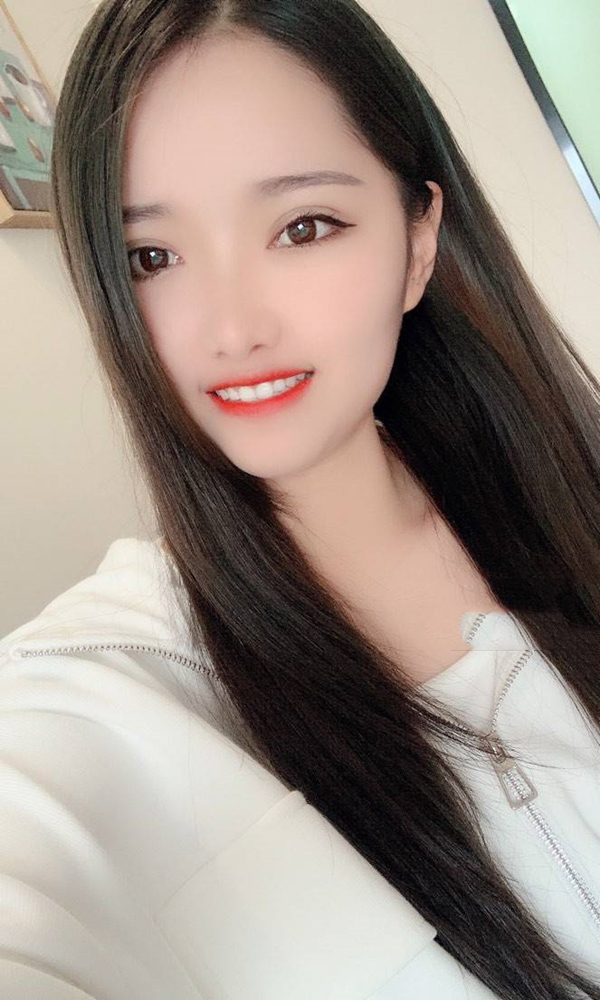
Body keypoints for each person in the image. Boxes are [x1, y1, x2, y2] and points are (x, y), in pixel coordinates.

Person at [1, 0, 600, 996]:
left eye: (303, 226)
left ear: (417, 243)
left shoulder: (571, 497)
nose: (232, 328)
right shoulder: (107, 687)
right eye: (152, 257)